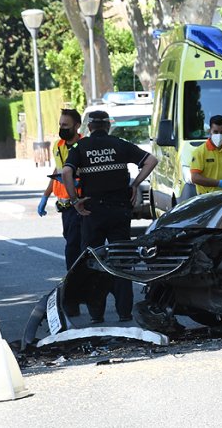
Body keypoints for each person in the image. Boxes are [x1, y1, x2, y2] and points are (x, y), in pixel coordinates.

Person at [61, 110, 158, 323]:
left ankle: (97, 314)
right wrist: (134, 184)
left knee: (93, 261)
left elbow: (67, 173)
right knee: (121, 260)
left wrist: (75, 200)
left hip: (92, 211)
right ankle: (124, 312)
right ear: (108, 126)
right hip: (119, 211)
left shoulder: (80, 147)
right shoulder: (120, 144)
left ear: (89, 127)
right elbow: (151, 160)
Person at [37, 109, 84, 275]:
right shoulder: (58, 145)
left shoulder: (85, 145)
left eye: (66, 125)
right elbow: (57, 171)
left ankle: (74, 284)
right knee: (72, 243)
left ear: (77, 126)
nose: (62, 128)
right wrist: (45, 195)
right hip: (64, 206)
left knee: (73, 247)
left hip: (79, 203)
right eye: (60, 124)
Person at [190, 115, 222, 194]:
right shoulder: (200, 152)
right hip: (206, 198)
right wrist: (218, 183)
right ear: (210, 131)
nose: (219, 135)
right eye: (215, 132)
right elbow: (195, 178)